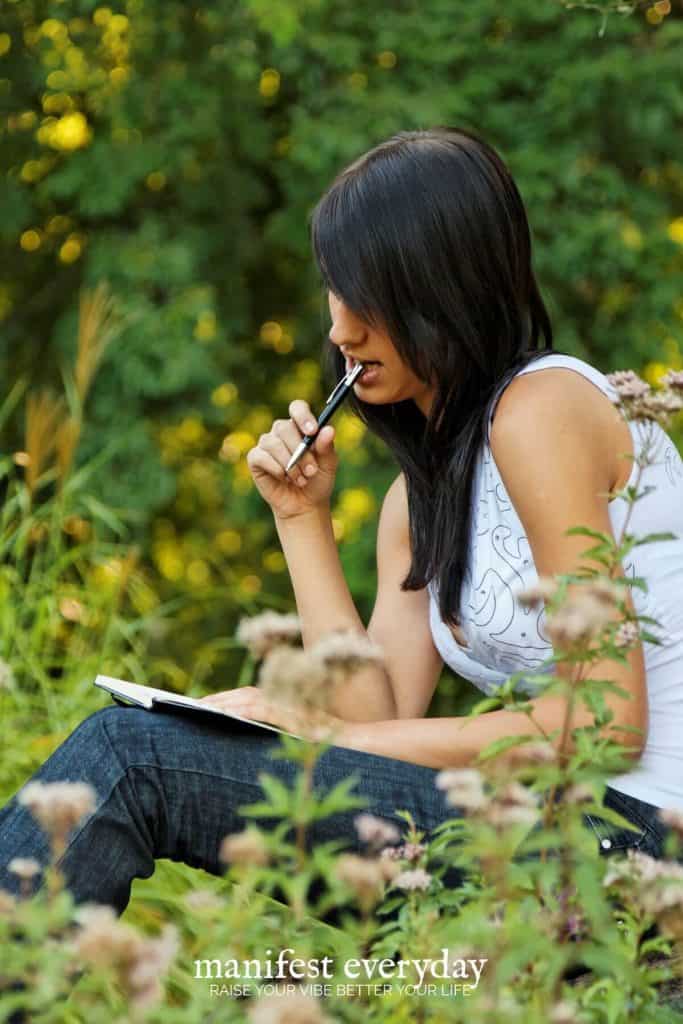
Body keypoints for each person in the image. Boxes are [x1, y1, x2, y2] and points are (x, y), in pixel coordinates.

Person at [1, 126, 681, 915]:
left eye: (368, 298)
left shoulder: (543, 410)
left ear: (444, 290)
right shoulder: (418, 495)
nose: (339, 329)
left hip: (640, 837)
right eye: (335, 290)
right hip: (547, 822)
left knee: (129, 756)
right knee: (139, 746)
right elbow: (378, 716)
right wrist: (301, 520)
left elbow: (607, 727)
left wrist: (323, 740)